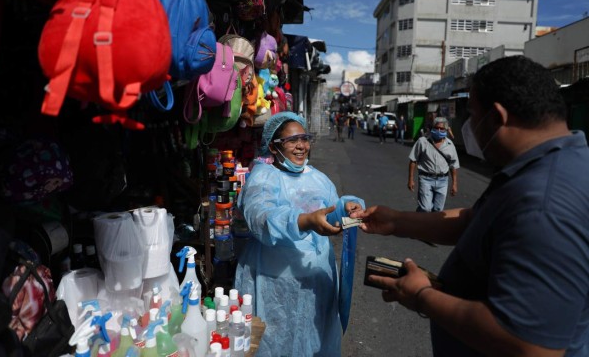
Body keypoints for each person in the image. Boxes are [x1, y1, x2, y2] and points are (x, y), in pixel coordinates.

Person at [352, 55, 589, 356]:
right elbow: (474, 220)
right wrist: (397, 221)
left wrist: (422, 295)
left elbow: (529, 345)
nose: (468, 128)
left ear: (497, 118)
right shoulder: (549, 163)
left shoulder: (544, 203)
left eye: (472, 116)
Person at [234, 111, 364, 356]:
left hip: (317, 281)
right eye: (292, 141)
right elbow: (260, 217)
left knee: (313, 340)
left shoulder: (319, 178)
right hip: (276, 285)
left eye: (304, 138)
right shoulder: (263, 178)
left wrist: (347, 207)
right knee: (276, 342)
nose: (301, 146)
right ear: (274, 146)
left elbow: (331, 210)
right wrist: (304, 221)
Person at [408, 117, 459, 212]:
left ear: (446, 130)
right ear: (432, 128)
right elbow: (413, 160)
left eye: (442, 129)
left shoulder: (450, 145)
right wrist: (410, 180)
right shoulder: (422, 141)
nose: (439, 130)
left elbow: (453, 165)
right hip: (425, 179)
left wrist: (454, 184)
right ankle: (420, 223)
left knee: (438, 210)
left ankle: (430, 225)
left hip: (443, 181)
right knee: (425, 209)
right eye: (436, 128)